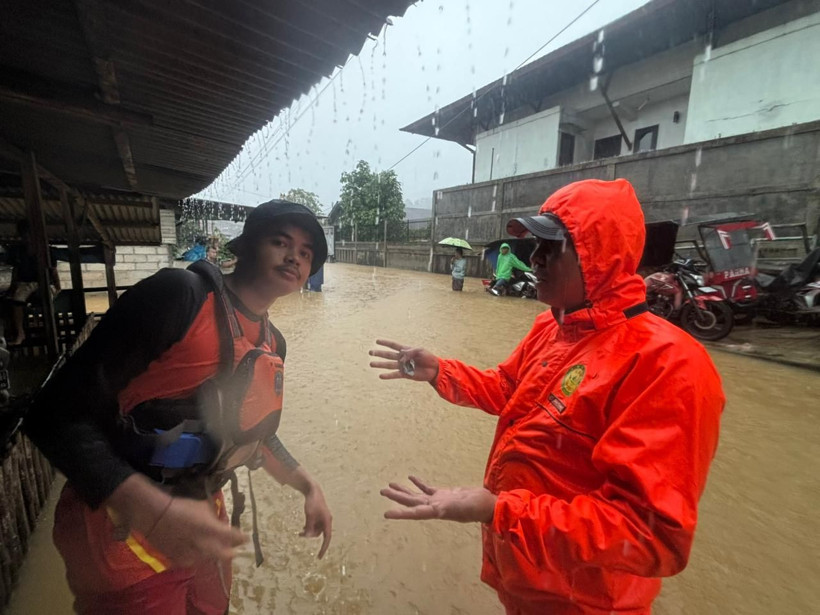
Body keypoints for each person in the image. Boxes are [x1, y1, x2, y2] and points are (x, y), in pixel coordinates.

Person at [369, 179, 724, 615]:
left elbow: (651, 536)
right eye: (535, 245)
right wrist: (441, 371)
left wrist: (499, 511)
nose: (533, 259)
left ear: (598, 258)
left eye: (550, 248)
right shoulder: (553, 329)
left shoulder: (667, 365)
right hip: (526, 580)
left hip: (586, 602)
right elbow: (507, 390)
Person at [25, 200, 333, 615]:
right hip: (121, 526)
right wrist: (154, 513)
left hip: (201, 523)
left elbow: (250, 432)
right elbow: (53, 413)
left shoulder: (272, 343)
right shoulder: (178, 296)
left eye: (306, 251)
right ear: (242, 248)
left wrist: (308, 486)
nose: (294, 255)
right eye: (280, 241)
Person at [6, 220, 60, 345]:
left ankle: (51, 333)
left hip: (45, 282)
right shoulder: (19, 250)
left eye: (28, 235)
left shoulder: (46, 250)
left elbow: (53, 270)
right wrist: (12, 287)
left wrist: (58, 286)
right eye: (24, 235)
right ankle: (20, 333)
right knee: (17, 299)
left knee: (47, 299)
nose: (26, 238)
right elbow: (16, 270)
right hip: (25, 283)